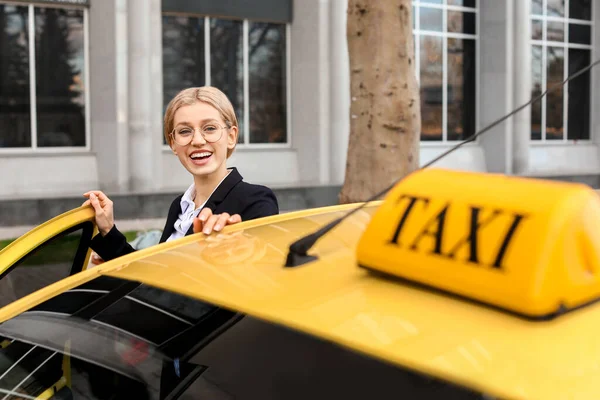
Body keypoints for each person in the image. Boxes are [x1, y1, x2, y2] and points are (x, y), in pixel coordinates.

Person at [83, 86, 279, 263]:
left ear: (231, 136)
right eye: (185, 131)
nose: (198, 140)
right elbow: (157, 277)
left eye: (209, 128)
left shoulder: (256, 200)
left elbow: (262, 266)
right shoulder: (179, 205)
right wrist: (108, 230)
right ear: (173, 144)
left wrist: (240, 249)